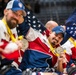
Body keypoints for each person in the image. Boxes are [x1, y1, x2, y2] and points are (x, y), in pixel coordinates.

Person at [0, 0, 26, 74]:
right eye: (15, 13)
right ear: (5, 11)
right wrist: (14, 46)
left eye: (20, 15)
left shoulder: (12, 31)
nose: (17, 17)